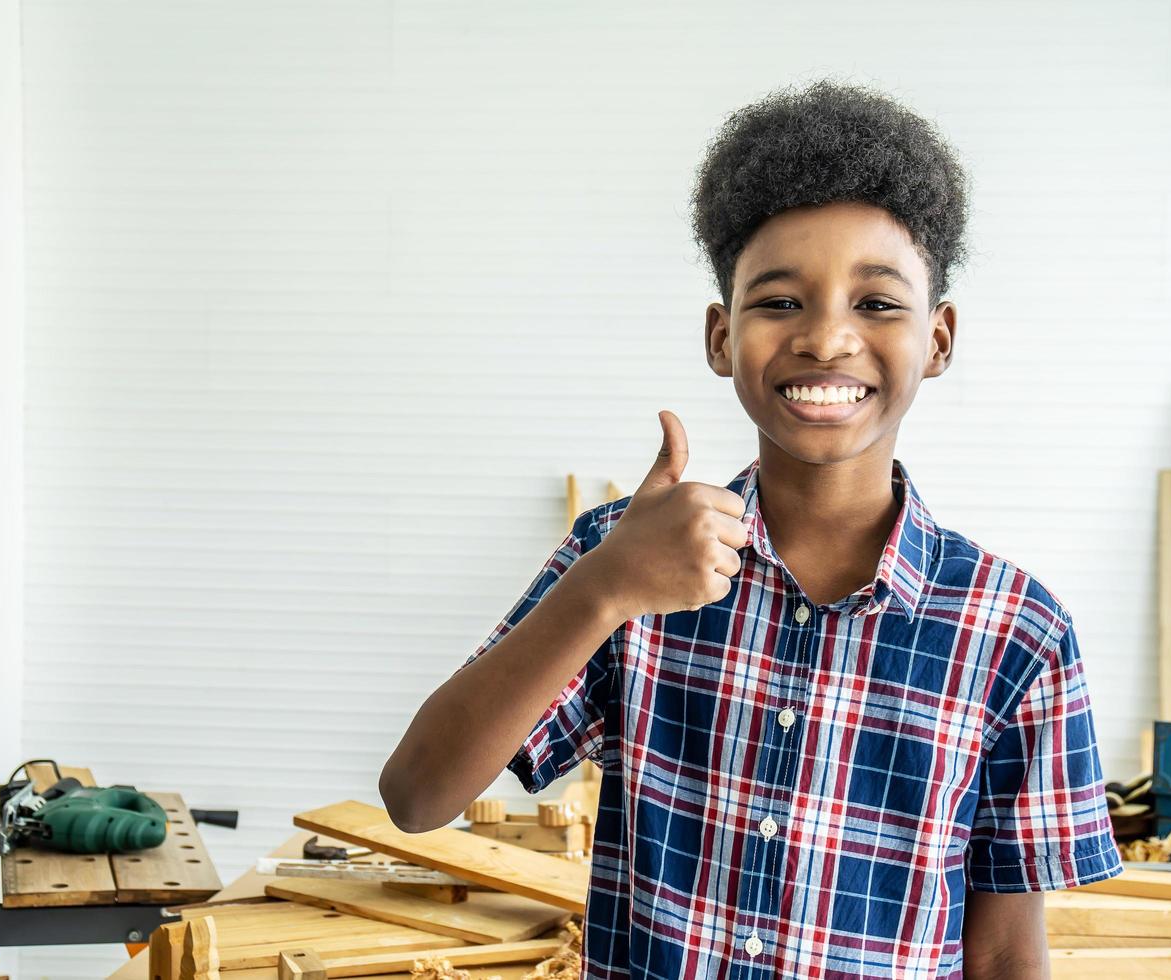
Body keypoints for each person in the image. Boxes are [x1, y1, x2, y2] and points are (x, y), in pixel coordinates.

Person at [380, 77, 1121, 979]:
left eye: (877, 303)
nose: (826, 338)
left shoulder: (1017, 634)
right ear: (722, 337)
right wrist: (605, 587)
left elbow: (1005, 949)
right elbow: (418, 795)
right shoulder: (622, 560)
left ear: (938, 338)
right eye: (780, 302)